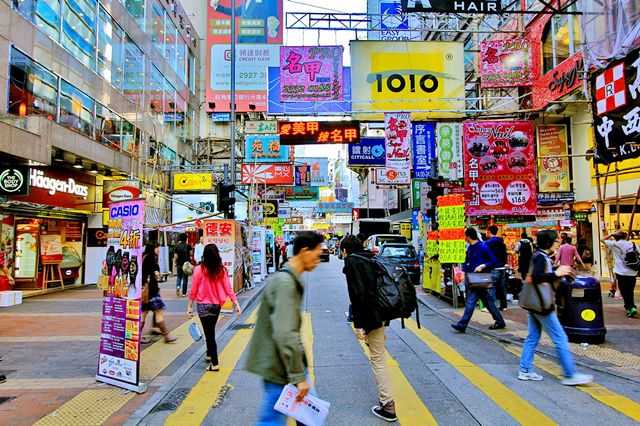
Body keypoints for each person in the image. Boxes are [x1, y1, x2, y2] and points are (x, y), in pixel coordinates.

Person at [245, 231, 324, 425]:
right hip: (280, 365)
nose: (319, 260)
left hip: (285, 362)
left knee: (309, 416)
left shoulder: (289, 278)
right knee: (273, 420)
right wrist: (298, 377)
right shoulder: (285, 283)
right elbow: (285, 333)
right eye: (317, 254)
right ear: (305, 251)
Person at [518, 230, 593, 385]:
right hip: (542, 305)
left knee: (532, 337)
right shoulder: (541, 257)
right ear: (549, 243)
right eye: (556, 241)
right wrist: (557, 273)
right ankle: (570, 374)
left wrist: (558, 272)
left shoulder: (540, 255)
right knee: (560, 338)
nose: (558, 243)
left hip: (534, 303)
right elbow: (538, 277)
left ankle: (524, 370)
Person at [341, 235, 397, 422]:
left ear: (345, 250)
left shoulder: (353, 262)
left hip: (371, 316)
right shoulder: (370, 257)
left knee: (377, 359)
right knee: (379, 355)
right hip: (382, 313)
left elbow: (359, 295)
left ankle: (388, 405)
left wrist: (361, 325)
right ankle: (386, 400)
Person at [188, 244, 241, 371]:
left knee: (209, 334)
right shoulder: (221, 270)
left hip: (203, 306)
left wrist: (189, 306)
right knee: (210, 331)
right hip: (216, 306)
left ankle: (215, 363)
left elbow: (194, 290)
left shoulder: (199, 269)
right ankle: (208, 354)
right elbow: (228, 288)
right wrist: (236, 303)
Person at [452, 228, 506, 333]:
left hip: (479, 278)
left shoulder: (483, 247)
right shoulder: (470, 248)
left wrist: (483, 265)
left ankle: (462, 324)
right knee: (488, 301)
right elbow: (467, 262)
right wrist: (463, 273)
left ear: (468, 236)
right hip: (471, 278)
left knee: (471, 301)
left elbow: (493, 260)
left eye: (465, 236)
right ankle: (500, 321)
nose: (464, 238)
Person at [141, 243, 176, 344]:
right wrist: (159, 275)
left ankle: (135, 337)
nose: (159, 250)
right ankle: (167, 336)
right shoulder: (152, 257)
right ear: (153, 248)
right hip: (152, 290)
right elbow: (156, 273)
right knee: (159, 313)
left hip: (144, 291)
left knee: (144, 314)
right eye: (157, 248)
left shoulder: (143, 257)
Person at [603, 231, 638, 317]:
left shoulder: (614, 244)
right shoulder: (633, 244)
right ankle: (631, 307)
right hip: (632, 271)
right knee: (630, 291)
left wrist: (611, 234)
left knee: (624, 291)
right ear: (626, 236)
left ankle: (630, 308)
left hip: (621, 272)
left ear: (615, 237)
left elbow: (602, 239)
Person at [485, 225, 508, 310]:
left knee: (491, 287)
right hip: (502, 267)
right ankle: (504, 306)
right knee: (502, 288)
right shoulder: (501, 241)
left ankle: (491, 307)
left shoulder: (488, 243)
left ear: (489, 232)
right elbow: (505, 254)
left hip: (494, 267)